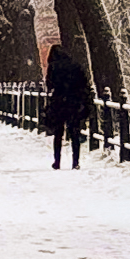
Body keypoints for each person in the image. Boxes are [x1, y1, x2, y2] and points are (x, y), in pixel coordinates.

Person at [44, 39, 90, 169]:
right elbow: (84, 84)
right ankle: (75, 162)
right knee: (74, 133)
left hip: (59, 104)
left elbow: (50, 84)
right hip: (73, 103)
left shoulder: (54, 67)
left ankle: (57, 161)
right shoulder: (75, 66)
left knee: (58, 134)